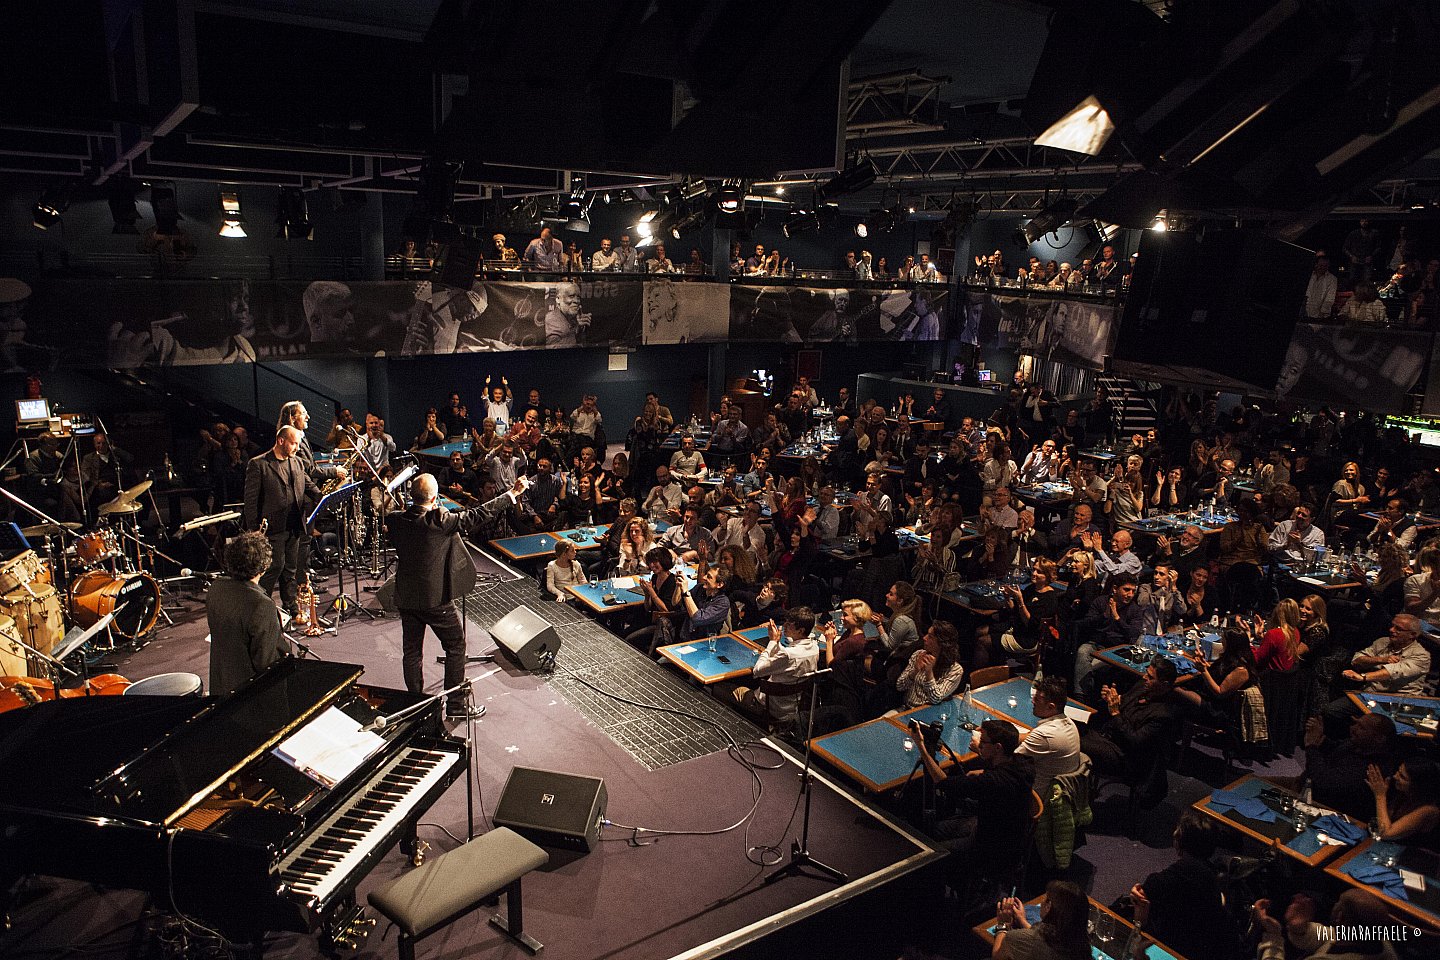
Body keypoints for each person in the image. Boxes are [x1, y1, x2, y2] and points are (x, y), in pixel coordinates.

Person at [386, 473, 523, 720]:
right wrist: (511, 494)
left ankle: (415, 705)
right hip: (435, 600)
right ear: (434, 498)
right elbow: (478, 514)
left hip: (406, 596)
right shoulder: (439, 520)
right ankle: (456, 705)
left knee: (412, 652)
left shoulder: (396, 520)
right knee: (456, 645)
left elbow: (405, 517)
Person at [1129, 812, 1241, 960]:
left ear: (1178, 840)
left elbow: (1139, 917)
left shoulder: (1161, 881)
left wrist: (1134, 899)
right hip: (1203, 950)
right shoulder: (1217, 878)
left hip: (1166, 948)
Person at [1081, 657, 1184, 806]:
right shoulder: (1143, 687)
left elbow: (1134, 741)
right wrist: (1110, 698)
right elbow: (1122, 702)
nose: (1144, 678)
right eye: (1146, 673)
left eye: (1150, 677)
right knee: (1074, 727)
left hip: (1127, 757)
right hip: (1109, 737)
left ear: (1165, 684)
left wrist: (1116, 713)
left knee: (1075, 741)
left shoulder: (1164, 714)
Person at [243, 426, 321, 615]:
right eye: (293, 443)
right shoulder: (258, 464)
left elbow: (308, 485)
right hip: (271, 528)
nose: (297, 448)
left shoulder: (297, 462)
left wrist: (323, 497)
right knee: (274, 568)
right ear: (281, 441)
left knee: (290, 569)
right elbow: (250, 501)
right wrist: (254, 530)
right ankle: (262, 609)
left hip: (293, 525)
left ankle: (291, 607)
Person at [207, 531, 285, 697]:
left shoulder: (216, 588)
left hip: (221, 687)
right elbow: (266, 663)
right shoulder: (261, 605)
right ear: (265, 565)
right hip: (249, 696)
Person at [730, 607, 821, 728]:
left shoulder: (788, 655)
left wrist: (772, 642)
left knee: (723, 689)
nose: (784, 626)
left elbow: (757, 671)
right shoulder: (815, 648)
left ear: (800, 630)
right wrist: (776, 642)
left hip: (769, 708)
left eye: (789, 625)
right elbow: (786, 660)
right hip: (792, 707)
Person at [991, 881, 1089, 960]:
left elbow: (997, 956)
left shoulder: (1018, 938)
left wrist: (1003, 924)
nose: (1041, 902)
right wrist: (1022, 920)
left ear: (1048, 906)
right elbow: (1049, 938)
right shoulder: (1079, 943)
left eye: (1044, 898)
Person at [1015, 676, 1082, 789]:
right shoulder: (1069, 723)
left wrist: (984, 744)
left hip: (1035, 793)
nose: (1033, 701)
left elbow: (1009, 763)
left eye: (1037, 699)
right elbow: (1029, 737)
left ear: (1051, 707)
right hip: (1059, 786)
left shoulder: (1045, 735)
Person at [1366, 757, 1440, 846]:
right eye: (1398, 771)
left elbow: (1385, 833)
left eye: (1402, 777)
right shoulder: (1404, 795)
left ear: (1417, 785)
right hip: (1389, 847)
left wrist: (1380, 796)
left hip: (1410, 852)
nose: (1395, 776)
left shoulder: (1429, 809)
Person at [894, 621, 966, 708]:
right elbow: (900, 686)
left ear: (942, 643)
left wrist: (929, 673)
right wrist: (915, 671)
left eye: (930, 637)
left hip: (931, 712)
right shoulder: (918, 655)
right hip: (906, 709)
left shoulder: (955, 670)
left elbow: (935, 699)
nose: (924, 638)